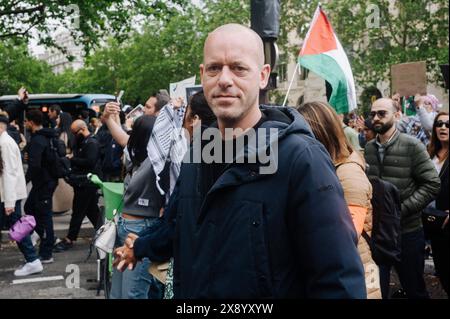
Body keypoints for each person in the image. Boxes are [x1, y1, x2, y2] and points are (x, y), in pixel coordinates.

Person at [114, 24, 366, 299]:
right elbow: (180, 229)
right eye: (214, 68)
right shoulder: (197, 153)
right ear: (203, 75)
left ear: (263, 76)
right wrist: (141, 248)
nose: (224, 79)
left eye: (238, 68)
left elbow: (337, 280)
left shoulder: (301, 158)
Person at [298, 101, 381, 299]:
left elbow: (349, 233)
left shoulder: (349, 172)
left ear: (318, 133)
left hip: (355, 273)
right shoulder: (326, 165)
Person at [364, 98, 441, 299]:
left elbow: (432, 184)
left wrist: (401, 209)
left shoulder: (412, 146)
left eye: (382, 113)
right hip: (378, 234)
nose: (376, 118)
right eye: (373, 114)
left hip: (407, 232)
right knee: (377, 290)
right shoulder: (369, 149)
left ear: (397, 115)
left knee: (414, 288)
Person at [0, 115, 42, 276]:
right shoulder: (5, 141)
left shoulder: (5, 144)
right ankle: (32, 257)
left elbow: (9, 174)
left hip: (8, 196)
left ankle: (32, 260)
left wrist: (9, 202)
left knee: (17, 228)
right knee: (17, 227)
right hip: (8, 196)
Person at [53, 120, 101, 252]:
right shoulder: (86, 142)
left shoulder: (91, 143)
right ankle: (106, 233)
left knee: (78, 212)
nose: (74, 135)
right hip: (85, 182)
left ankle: (70, 239)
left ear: (82, 129)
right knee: (92, 212)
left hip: (86, 182)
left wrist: (71, 159)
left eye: (75, 132)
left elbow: (90, 162)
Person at [23, 110, 58, 265]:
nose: (24, 124)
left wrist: (23, 182)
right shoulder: (45, 136)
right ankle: (40, 234)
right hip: (45, 181)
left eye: (26, 121)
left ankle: (46, 252)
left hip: (44, 182)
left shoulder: (38, 140)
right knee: (30, 207)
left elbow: (35, 166)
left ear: (31, 122)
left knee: (44, 217)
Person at [426, 111, 449, 295]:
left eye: (447, 124)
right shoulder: (430, 152)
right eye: (439, 124)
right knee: (441, 268)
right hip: (434, 220)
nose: (443, 127)